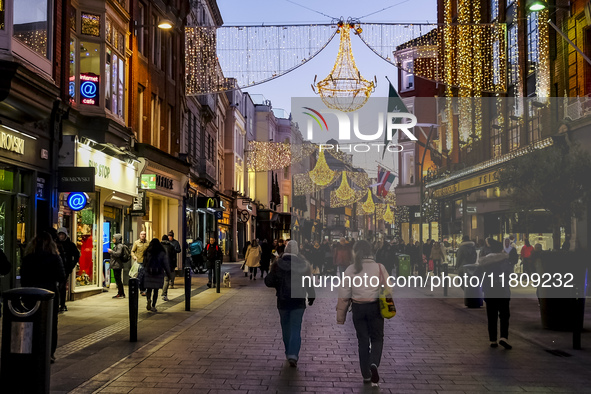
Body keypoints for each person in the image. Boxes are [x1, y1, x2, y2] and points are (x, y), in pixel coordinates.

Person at [337, 240, 391, 385]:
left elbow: (344, 294)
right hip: (375, 308)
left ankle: (366, 375)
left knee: (362, 342)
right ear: (371, 252)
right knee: (377, 338)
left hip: (358, 309)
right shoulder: (379, 268)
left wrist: (340, 316)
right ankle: (374, 363)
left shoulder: (350, 269)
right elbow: (389, 288)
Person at [265, 241, 315, 367]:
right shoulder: (304, 264)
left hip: (283, 300)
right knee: (296, 327)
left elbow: (268, 282)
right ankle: (293, 354)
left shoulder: (278, 264)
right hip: (298, 301)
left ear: (286, 250)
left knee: (285, 326)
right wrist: (311, 295)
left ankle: (288, 351)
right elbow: (308, 282)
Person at [21, 232, 66, 363]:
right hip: (49, 293)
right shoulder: (54, 257)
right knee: (50, 323)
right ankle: (49, 353)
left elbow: (24, 277)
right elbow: (61, 276)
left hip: (31, 293)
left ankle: (32, 350)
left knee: (32, 321)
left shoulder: (28, 258)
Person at [477, 238, 513, 350]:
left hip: (490, 291)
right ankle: (503, 337)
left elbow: (477, 274)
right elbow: (510, 274)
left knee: (491, 316)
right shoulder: (505, 260)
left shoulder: (485, 262)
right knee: (504, 315)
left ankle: (493, 340)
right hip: (503, 291)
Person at [143, 238, 172, 312]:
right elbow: (166, 264)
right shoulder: (162, 253)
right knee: (155, 290)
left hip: (149, 272)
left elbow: (144, 263)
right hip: (158, 273)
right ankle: (153, 306)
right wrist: (169, 274)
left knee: (149, 289)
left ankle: (148, 299)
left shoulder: (147, 251)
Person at [56, 227, 80, 312]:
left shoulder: (70, 245)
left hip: (65, 268)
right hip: (56, 268)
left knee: (62, 286)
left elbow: (77, 255)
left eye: (62, 234)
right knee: (57, 286)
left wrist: (71, 265)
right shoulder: (55, 244)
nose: (61, 236)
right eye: (60, 234)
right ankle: (58, 303)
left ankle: (62, 304)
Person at [108, 234, 126, 298]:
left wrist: (111, 251)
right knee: (117, 280)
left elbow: (118, 254)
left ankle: (121, 293)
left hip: (117, 265)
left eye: (114, 239)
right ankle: (120, 293)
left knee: (118, 280)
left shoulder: (119, 246)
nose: (113, 240)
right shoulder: (117, 246)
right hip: (116, 265)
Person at [131, 231, 149, 296]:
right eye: (141, 234)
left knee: (145, 276)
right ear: (139, 235)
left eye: (144, 234)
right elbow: (132, 251)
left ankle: (144, 289)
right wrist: (134, 257)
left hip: (146, 262)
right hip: (139, 262)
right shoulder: (136, 243)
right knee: (140, 276)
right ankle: (142, 289)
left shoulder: (148, 243)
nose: (142, 235)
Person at [161, 235, 176, 301]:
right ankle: (164, 294)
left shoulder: (159, 247)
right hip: (168, 265)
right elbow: (174, 258)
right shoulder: (171, 246)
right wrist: (173, 266)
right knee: (166, 280)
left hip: (159, 266)